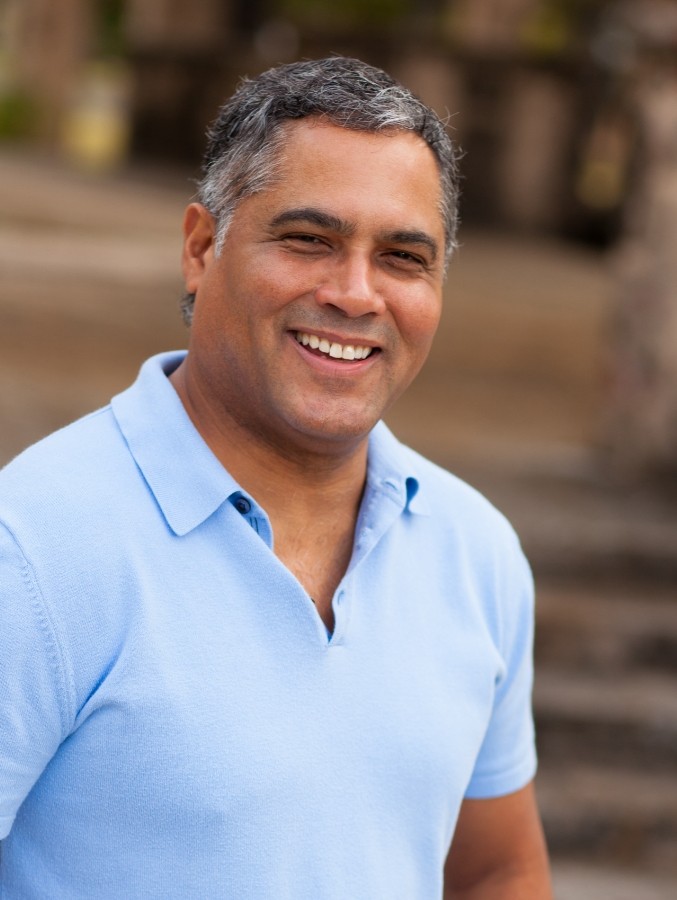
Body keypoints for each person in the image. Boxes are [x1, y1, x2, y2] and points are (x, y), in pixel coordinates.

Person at [0, 57, 552, 898]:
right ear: (200, 248)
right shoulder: (33, 552)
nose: (355, 293)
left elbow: (495, 870)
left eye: (403, 256)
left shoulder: (475, 551)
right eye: (308, 241)